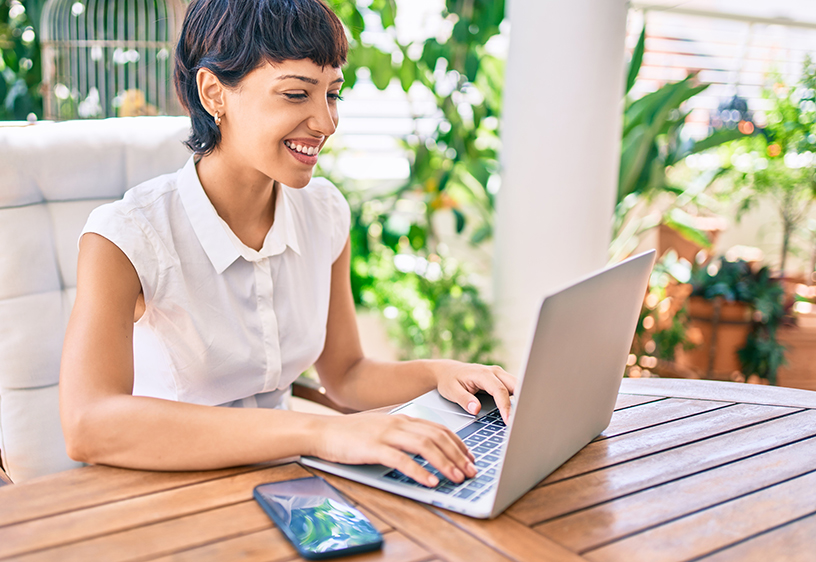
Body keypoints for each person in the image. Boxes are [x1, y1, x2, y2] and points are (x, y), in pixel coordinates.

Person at [59, 0, 515, 488]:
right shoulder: (127, 235)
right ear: (215, 93)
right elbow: (89, 424)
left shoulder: (324, 212)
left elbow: (346, 374)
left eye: (332, 94)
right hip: (163, 492)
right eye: (297, 94)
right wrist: (319, 432)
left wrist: (441, 372)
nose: (326, 122)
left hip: (290, 484)